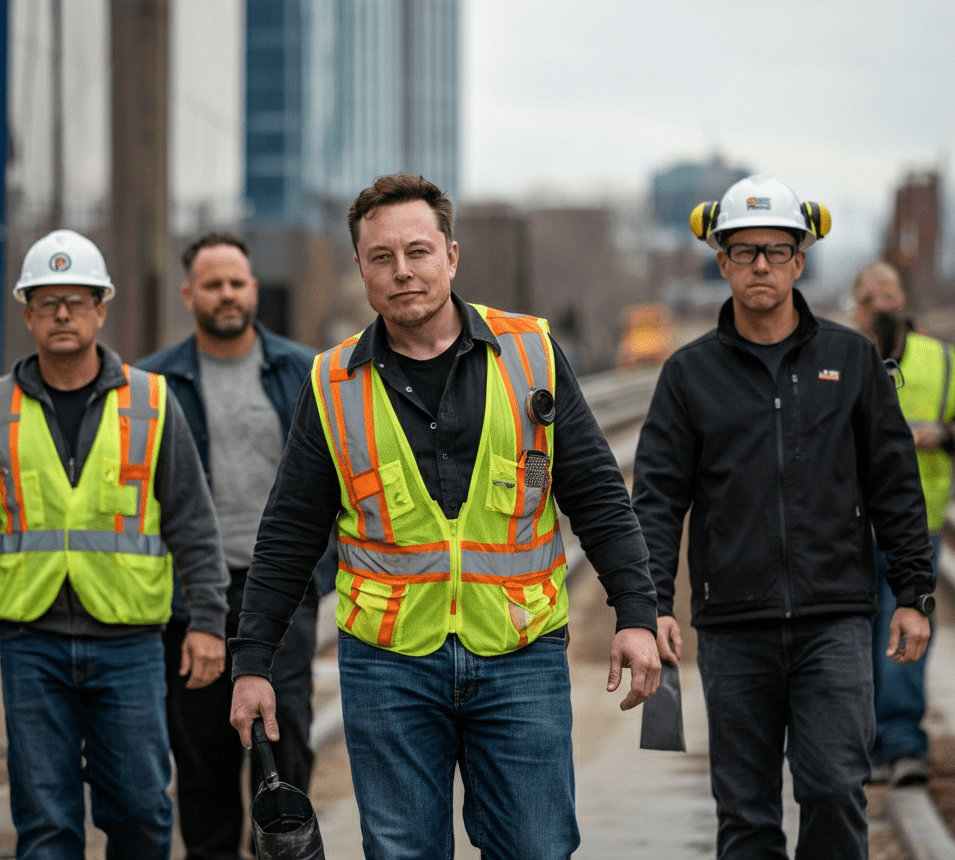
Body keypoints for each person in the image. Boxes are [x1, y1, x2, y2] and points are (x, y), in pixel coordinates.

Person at [228, 173, 661, 860]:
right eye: (381, 257)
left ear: (451, 257)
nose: (402, 271)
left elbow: (600, 497)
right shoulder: (333, 385)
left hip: (520, 654)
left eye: (418, 251)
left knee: (538, 848)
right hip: (389, 665)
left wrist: (636, 613)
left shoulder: (533, 355)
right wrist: (253, 662)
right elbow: (287, 537)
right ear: (362, 269)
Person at [632, 175, 936, 860]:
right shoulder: (688, 375)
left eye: (776, 250)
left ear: (801, 260)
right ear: (722, 262)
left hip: (835, 620)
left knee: (833, 789)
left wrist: (914, 594)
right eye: (744, 252)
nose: (761, 265)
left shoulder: (851, 359)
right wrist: (649, 604)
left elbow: (894, 483)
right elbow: (655, 498)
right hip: (734, 628)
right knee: (746, 816)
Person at [0, 229, 229, 860]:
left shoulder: (152, 404)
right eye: (48, 302)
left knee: (142, 813)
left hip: (129, 644)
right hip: (31, 643)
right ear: (28, 315)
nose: (63, 314)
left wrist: (207, 620)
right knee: (45, 823)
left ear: (101, 308)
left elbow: (193, 524)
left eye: (77, 300)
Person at [138, 232, 318, 860]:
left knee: (285, 735)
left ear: (254, 289)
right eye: (212, 284)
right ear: (189, 294)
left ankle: (282, 848)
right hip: (192, 598)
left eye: (237, 282)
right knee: (203, 755)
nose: (227, 295)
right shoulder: (153, 385)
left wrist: (321, 575)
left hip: (284, 593)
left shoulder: (302, 371)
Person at [852, 260, 955, 786]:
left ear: (904, 298)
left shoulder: (941, 361)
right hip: (850, 529)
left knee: (906, 633)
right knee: (855, 637)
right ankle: (865, 746)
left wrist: (945, 435)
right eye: (870, 294)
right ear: (856, 304)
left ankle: (903, 745)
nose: (880, 302)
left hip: (921, 524)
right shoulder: (839, 359)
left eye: (888, 292)